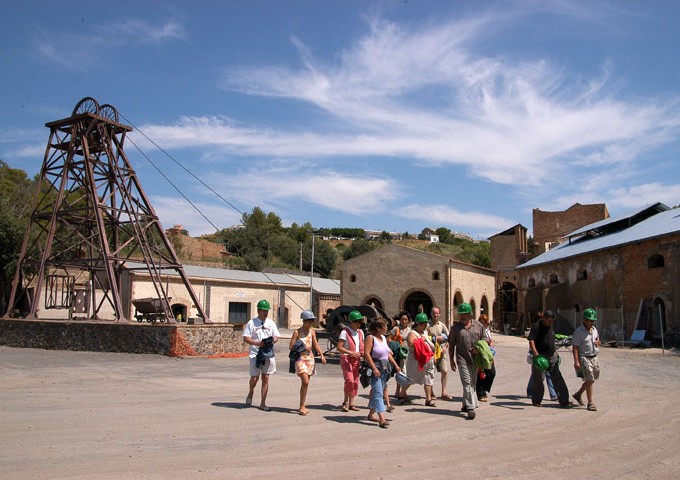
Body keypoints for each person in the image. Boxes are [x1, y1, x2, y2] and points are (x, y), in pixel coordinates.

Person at [527, 310, 573, 408]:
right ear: (544, 318)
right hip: (540, 357)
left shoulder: (551, 326)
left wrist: (555, 352)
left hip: (552, 356)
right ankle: (536, 400)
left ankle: (564, 401)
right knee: (538, 380)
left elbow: (551, 340)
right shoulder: (536, 327)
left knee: (558, 378)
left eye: (552, 321)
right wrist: (536, 355)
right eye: (549, 321)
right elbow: (531, 341)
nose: (551, 323)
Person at [243, 299, 280, 411]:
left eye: (267, 311)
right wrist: (257, 343)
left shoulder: (271, 323)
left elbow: (276, 336)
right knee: (255, 377)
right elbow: (246, 338)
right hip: (255, 353)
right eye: (263, 311)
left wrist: (272, 340)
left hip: (268, 353)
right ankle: (251, 392)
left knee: (266, 377)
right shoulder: (252, 323)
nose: (265, 313)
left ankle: (263, 403)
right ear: (258, 310)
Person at [449, 303, 484, 419]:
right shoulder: (455, 328)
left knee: (472, 383)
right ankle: (470, 408)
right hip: (461, 359)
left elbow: (485, 340)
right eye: (460, 315)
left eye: (464, 315)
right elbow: (451, 345)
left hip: (475, 360)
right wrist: (451, 360)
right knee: (467, 382)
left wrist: (478, 349)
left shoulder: (478, 326)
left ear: (470, 315)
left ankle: (465, 403)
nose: (462, 317)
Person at [364, 317, 401, 428]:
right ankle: (381, 418)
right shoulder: (371, 338)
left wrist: (395, 365)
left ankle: (371, 413)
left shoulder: (383, 339)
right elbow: (366, 354)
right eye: (384, 326)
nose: (386, 328)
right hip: (375, 368)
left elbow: (388, 354)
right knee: (379, 393)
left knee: (378, 391)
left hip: (385, 369)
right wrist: (374, 368)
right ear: (378, 328)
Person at [289, 309, 326, 416]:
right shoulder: (297, 332)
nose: (310, 323)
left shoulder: (312, 332)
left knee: (306, 383)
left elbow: (316, 344)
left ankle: (302, 405)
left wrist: (322, 355)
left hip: (310, 359)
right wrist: (302, 346)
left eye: (311, 321)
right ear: (303, 321)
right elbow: (291, 346)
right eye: (308, 321)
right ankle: (302, 405)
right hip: (300, 358)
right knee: (305, 381)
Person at [400, 313, 437, 406]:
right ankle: (402, 394)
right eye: (424, 323)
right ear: (419, 323)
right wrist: (421, 340)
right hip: (416, 360)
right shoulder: (412, 333)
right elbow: (411, 343)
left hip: (428, 359)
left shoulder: (425, 332)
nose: (426, 325)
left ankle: (428, 399)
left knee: (429, 378)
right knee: (411, 378)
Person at [571, 308, 601, 411]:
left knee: (593, 379)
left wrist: (598, 343)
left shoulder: (594, 330)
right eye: (588, 320)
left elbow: (597, 340)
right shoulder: (579, 332)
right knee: (590, 379)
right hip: (584, 357)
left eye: (592, 320)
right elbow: (575, 347)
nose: (590, 322)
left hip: (594, 356)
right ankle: (590, 403)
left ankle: (578, 394)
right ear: (584, 319)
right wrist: (576, 361)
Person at [336, 310, 365, 412]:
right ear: (351, 321)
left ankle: (352, 403)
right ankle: (345, 402)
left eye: (360, 321)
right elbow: (339, 347)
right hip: (346, 359)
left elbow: (362, 346)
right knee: (349, 380)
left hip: (356, 359)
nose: (358, 323)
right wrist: (350, 352)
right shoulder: (345, 332)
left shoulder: (360, 332)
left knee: (355, 382)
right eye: (356, 321)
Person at [427, 306, 451, 400]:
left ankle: (444, 392)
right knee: (431, 373)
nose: (435, 315)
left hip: (441, 352)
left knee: (444, 371)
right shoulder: (427, 325)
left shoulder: (441, 325)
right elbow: (424, 337)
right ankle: (431, 392)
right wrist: (435, 338)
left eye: (437, 313)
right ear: (431, 314)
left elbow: (449, 337)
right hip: (430, 352)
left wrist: (445, 346)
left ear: (439, 314)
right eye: (434, 313)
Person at [389, 311, 412, 399]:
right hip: (399, 354)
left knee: (403, 372)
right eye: (402, 319)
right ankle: (403, 393)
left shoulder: (410, 330)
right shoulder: (396, 329)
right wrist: (396, 345)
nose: (404, 321)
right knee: (402, 372)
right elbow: (389, 339)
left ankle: (398, 391)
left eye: (406, 319)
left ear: (408, 321)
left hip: (408, 353)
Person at [476, 314, 496, 402]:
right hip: (480, 355)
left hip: (488, 355)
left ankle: (483, 389)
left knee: (491, 373)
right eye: (481, 323)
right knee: (480, 374)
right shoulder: (477, 331)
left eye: (484, 323)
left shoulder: (487, 331)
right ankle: (480, 393)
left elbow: (491, 342)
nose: (483, 325)